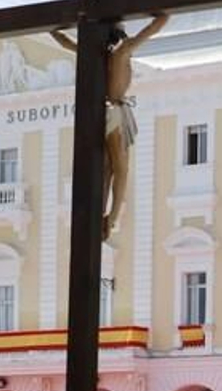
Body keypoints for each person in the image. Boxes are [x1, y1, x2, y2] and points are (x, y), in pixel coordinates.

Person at [50, 13, 171, 241]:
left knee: (104, 167)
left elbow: (65, 42)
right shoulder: (123, 52)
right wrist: (160, 13)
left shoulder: (95, 55)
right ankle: (111, 218)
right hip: (115, 110)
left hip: (98, 114)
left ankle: (99, 213)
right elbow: (156, 26)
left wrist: (53, 29)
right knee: (121, 167)